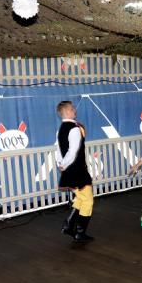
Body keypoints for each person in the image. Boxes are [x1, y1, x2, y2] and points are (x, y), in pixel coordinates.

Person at [54, 101, 94, 242]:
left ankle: (69, 225)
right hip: (77, 171)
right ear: (67, 111)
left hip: (70, 170)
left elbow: (57, 149)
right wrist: (64, 164)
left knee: (80, 198)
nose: (74, 110)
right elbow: (73, 151)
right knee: (87, 200)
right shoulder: (75, 129)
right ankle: (79, 233)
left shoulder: (61, 129)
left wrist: (61, 163)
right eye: (72, 109)